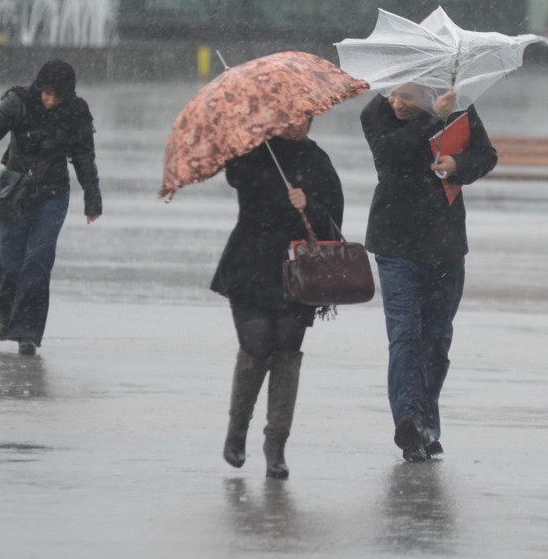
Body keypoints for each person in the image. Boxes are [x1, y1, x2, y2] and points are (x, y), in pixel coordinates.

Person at [361, 84, 497, 462]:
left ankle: (425, 425)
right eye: (393, 95)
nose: (396, 103)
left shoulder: (459, 108)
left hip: (445, 243)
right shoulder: (375, 113)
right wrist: (432, 116)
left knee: (436, 341)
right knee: (405, 335)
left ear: (424, 88)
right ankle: (406, 421)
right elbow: (392, 153)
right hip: (395, 243)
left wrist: (459, 166)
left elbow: (486, 155)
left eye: (406, 96)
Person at [213, 118, 344, 480]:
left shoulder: (316, 159)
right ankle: (237, 430)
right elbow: (237, 178)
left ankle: (276, 444)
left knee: (286, 352)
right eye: (289, 117)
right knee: (256, 346)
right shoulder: (252, 152)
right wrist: (248, 140)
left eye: (304, 117)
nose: (296, 124)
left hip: (297, 270)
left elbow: (333, 220)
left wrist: (308, 204)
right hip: (249, 263)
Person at [0, 60, 102, 356]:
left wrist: (92, 199)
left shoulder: (76, 112)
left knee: (39, 260)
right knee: (10, 262)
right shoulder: (17, 102)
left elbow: (84, 156)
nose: (49, 101)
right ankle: (7, 312)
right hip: (13, 192)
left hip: (53, 195)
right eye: (45, 93)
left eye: (56, 96)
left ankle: (28, 331)